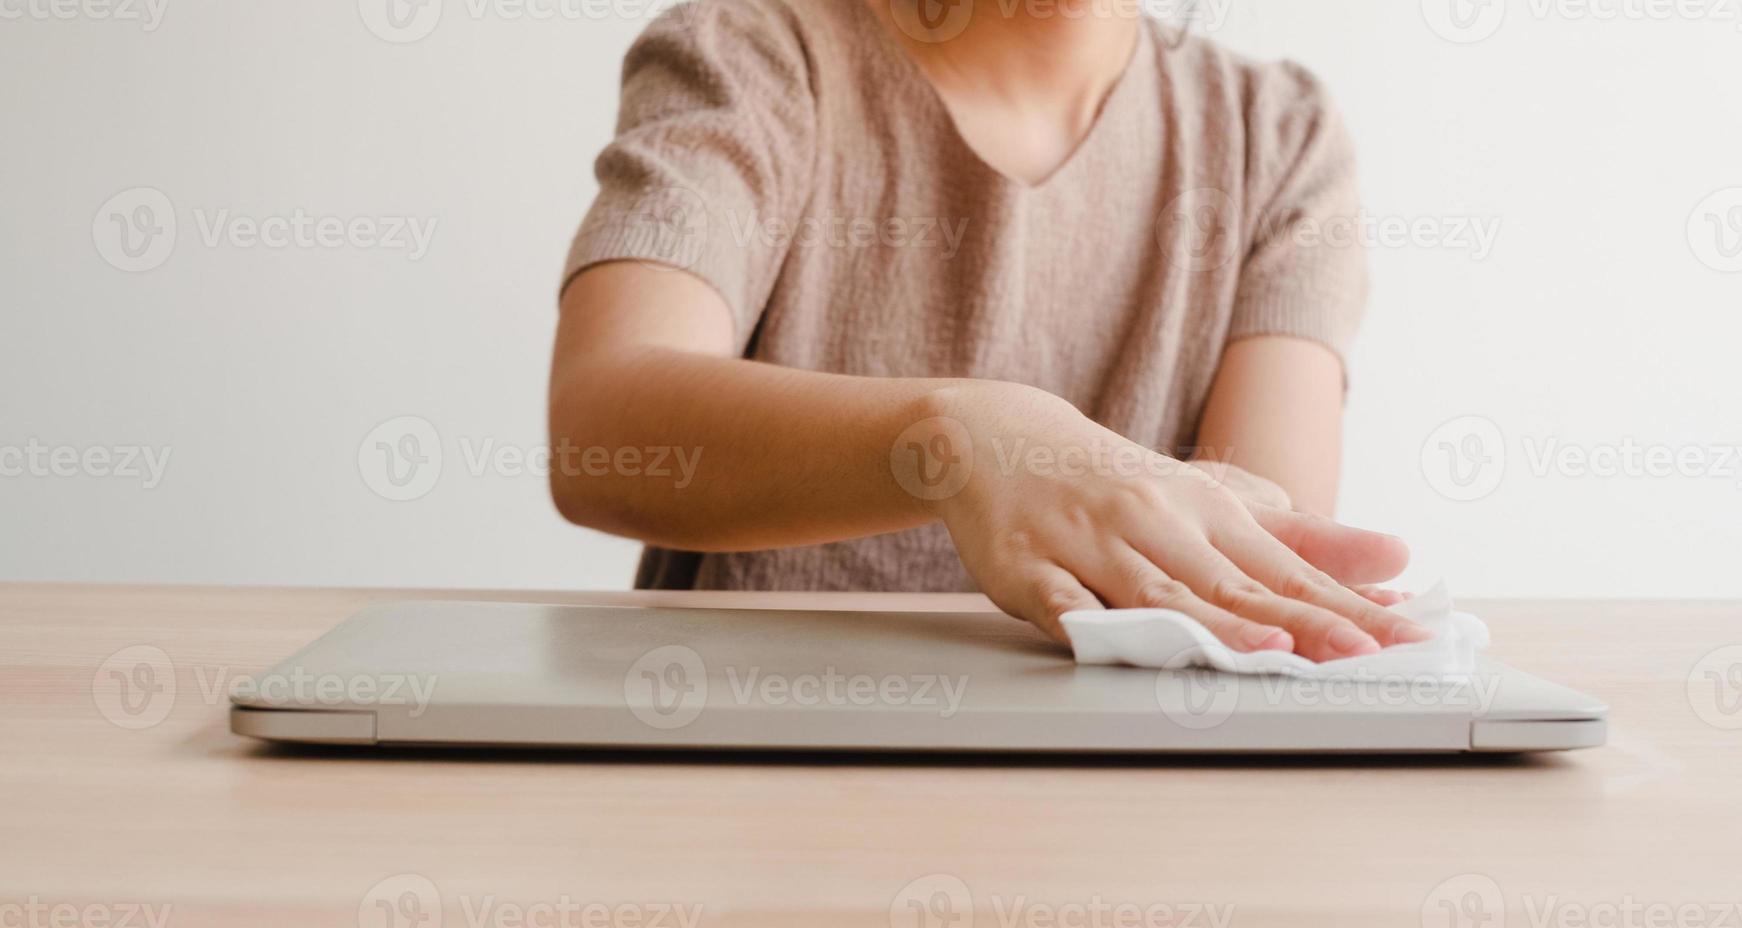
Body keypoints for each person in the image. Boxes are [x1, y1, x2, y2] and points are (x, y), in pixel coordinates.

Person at [548, 0, 1433, 661]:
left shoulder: (1276, 136)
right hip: (755, 765)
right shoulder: (752, 55)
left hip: (1124, 796)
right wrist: (959, 440)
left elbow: (1262, 541)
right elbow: (602, 421)